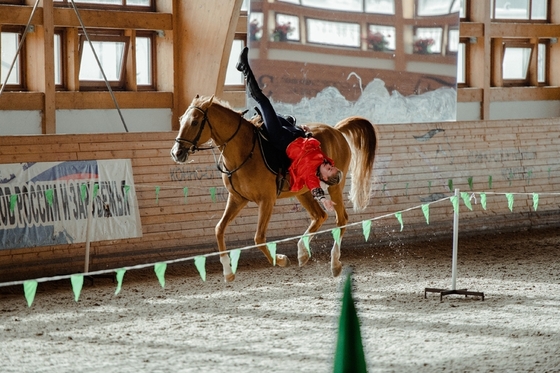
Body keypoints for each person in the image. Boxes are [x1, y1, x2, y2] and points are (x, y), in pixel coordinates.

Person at [236, 47, 342, 212]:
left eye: (329, 170)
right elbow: (312, 146)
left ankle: (244, 67)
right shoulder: (324, 159)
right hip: (294, 133)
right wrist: (306, 132)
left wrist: (323, 200)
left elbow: (315, 188)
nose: (329, 166)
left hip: (281, 138)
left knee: (263, 101)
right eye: (331, 167)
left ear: (324, 177)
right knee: (284, 117)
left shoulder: (310, 174)